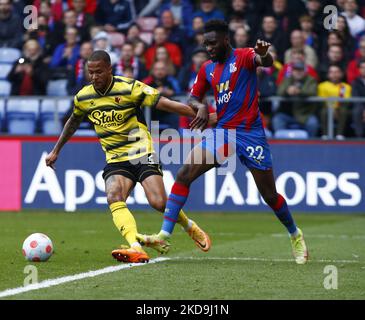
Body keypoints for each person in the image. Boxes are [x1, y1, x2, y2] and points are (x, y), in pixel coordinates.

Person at [138, 20, 309, 265]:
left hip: (251, 135)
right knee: (184, 173)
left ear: (226, 40)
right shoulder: (207, 68)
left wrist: (264, 55)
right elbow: (192, 97)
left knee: (270, 196)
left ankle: (295, 234)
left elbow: (265, 61)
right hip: (224, 133)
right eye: (205, 43)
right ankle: (164, 234)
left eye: (212, 43)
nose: (208, 48)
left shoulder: (245, 56)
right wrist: (200, 107)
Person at [45, 50, 211, 263]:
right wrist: (56, 150)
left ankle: (190, 226)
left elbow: (165, 103)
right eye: (90, 72)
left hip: (141, 153)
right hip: (115, 159)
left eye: (99, 72)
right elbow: (73, 121)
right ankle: (135, 247)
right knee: (114, 195)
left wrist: (198, 114)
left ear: (109, 70)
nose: (94, 77)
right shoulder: (84, 97)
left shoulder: (130, 87)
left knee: (159, 202)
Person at [273, 61, 319, 137]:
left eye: (300, 70)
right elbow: (279, 92)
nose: (298, 72)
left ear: (304, 71)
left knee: (313, 123)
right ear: (292, 71)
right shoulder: (287, 79)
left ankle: (310, 145)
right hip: (286, 113)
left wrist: (299, 91)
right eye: (296, 70)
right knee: (277, 120)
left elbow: (312, 92)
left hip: (304, 114)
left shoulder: (310, 80)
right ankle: (281, 144)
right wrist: (287, 91)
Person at [318, 64, 352, 140]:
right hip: (327, 108)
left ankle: (339, 135)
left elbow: (345, 101)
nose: (334, 74)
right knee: (324, 111)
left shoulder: (345, 86)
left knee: (343, 110)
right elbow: (322, 101)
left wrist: (335, 109)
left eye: (336, 72)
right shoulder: (322, 86)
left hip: (339, 109)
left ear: (341, 74)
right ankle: (325, 135)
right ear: (328, 74)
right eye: (332, 72)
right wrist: (332, 109)